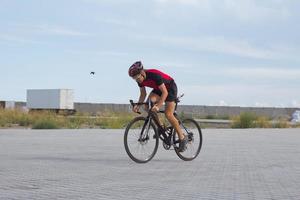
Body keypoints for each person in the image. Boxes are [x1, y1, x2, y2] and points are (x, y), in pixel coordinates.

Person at [128, 61, 187, 152]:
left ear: (142, 72)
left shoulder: (154, 75)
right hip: (158, 89)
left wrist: (158, 106)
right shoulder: (139, 80)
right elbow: (143, 94)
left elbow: (165, 92)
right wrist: (138, 105)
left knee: (168, 114)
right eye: (134, 79)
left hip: (169, 88)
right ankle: (161, 127)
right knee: (147, 106)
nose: (137, 80)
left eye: (137, 77)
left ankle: (182, 137)